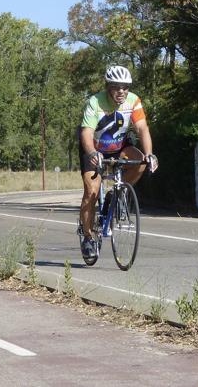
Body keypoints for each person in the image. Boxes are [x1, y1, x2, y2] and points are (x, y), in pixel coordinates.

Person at [77, 65, 158, 264]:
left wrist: (149, 154)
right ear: (108, 87)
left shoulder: (133, 101)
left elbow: (142, 128)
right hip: (93, 149)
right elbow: (86, 132)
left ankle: (117, 193)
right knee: (91, 192)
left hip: (119, 146)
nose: (121, 91)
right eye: (116, 87)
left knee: (139, 162)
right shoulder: (95, 102)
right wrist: (92, 153)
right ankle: (88, 237)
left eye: (125, 87)